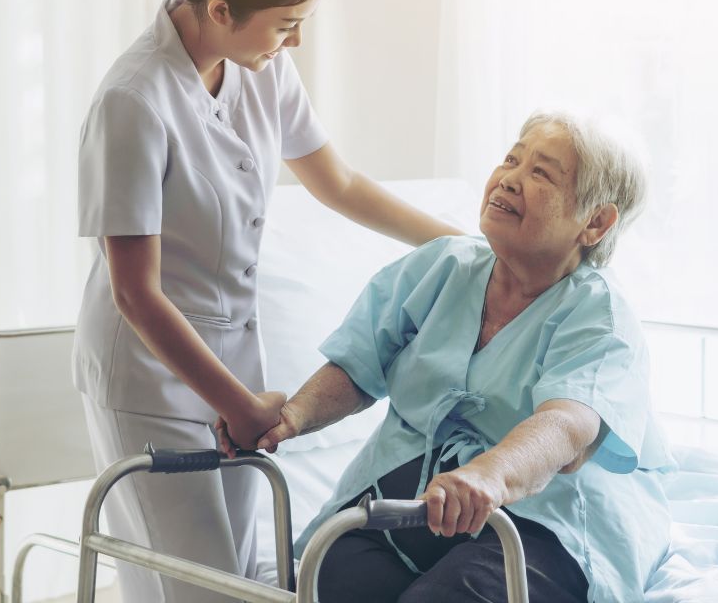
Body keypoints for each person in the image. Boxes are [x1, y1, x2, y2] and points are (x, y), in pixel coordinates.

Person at [73, 0, 459, 603]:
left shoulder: (262, 68)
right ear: (220, 9)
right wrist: (242, 405)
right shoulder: (134, 101)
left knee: (242, 579)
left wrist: (466, 247)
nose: (297, 39)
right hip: (151, 376)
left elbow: (339, 185)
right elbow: (135, 292)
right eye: (286, 22)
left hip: (233, 366)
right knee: (199, 588)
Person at [232, 112, 674, 603]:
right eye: (512, 158)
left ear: (596, 221)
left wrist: (490, 472)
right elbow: (357, 366)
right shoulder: (441, 266)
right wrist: (290, 417)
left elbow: (567, 425)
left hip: (545, 516)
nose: (509, 178)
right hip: (419, 498)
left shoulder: (599, 316)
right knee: (330, 578)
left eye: (541, 172)